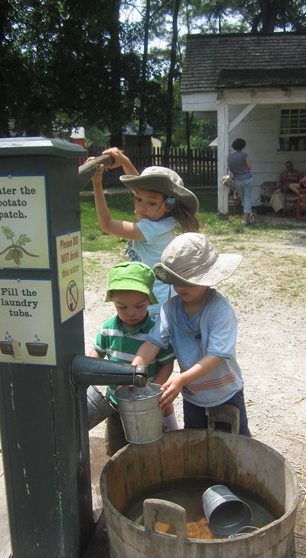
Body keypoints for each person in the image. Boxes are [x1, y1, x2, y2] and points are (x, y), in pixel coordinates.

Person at [132, 233, 251, 437]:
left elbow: (215, 356)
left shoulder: (220, 311)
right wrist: (135, 369)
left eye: (188, 281)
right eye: (176, 280)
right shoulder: (170, 309)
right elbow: (153, 343)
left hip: (225, 394)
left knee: (233, 445)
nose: (181, 287)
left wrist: (181, 379)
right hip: (193, 395)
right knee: (195, 441)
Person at [88, 148, 201, 316]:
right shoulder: (163, 220)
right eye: (138, 199)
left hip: (155, 304)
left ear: (170, 204)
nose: (141, 207)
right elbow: (141, 189)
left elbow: (107, 225)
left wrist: (97, 185)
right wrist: (124, 161)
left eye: (151, 203)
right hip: (160, 300)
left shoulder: (151, 229)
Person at [87, 261, 178, 456]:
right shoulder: (108, 329)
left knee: (150, 447)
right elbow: (96, 354)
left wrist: (154, 390)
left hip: (146, 404)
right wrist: (89, 372)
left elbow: (167, 364)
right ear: (112, 300)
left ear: (149, 300)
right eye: (122, 307)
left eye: (139, 306)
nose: (131, 313)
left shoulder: (155, 332)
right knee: (116, 451)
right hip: (115, 402)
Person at [226, 138, 254, 226]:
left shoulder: (229, 157)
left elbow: (230, 169)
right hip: (247, 179)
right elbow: (249, 167)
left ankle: (248, 217)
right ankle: (246, 219)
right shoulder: (245, 155)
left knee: (243, 199)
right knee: (247, 198)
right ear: (243, 146)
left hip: (237, 180)